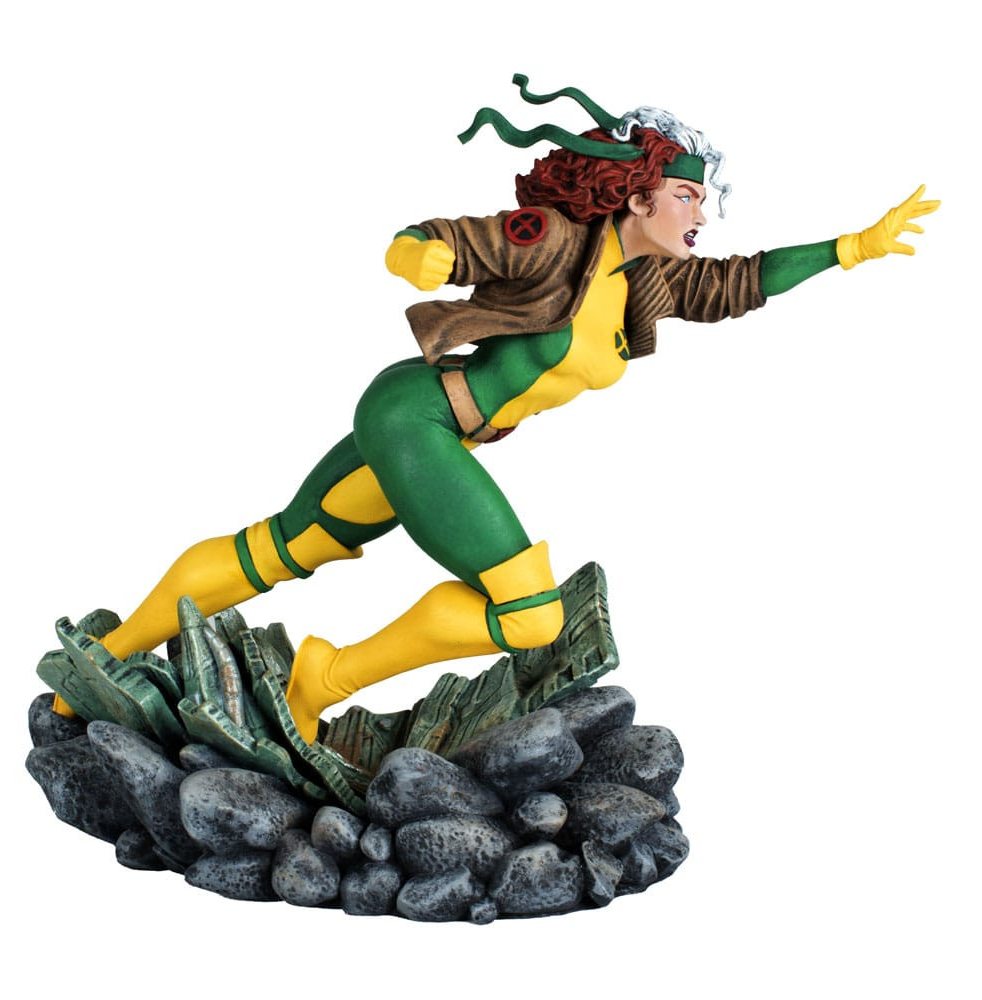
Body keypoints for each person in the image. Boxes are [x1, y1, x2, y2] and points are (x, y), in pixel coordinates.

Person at [51, 75, 938, 743]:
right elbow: (446, 239)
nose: (702, 212)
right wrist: (418, 256)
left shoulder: (649, 283)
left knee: (284, 544)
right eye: (689, 195)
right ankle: (313, 679)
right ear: (637, 194)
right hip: (418, 419)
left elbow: (741, 282)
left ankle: (113, 654)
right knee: (530, 615)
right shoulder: (553, 241)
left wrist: (854, 248)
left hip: (431, 430)